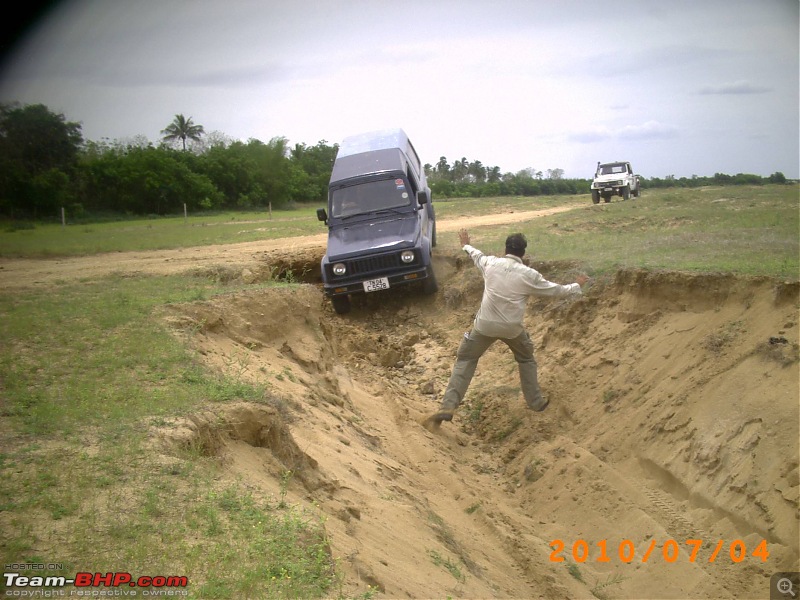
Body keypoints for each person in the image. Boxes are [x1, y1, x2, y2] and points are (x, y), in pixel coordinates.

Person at [428, 228, 589, 425]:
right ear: (523, 253)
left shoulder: (491, 263)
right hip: (512, 328)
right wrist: (576, 285)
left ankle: (448, 406)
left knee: (466, 359)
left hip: (484, 325)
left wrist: (466, 245)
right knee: (526, 359)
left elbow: (476, 255)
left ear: (505, 249)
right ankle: (536, 403)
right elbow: (556, 291)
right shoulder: (529, 275)